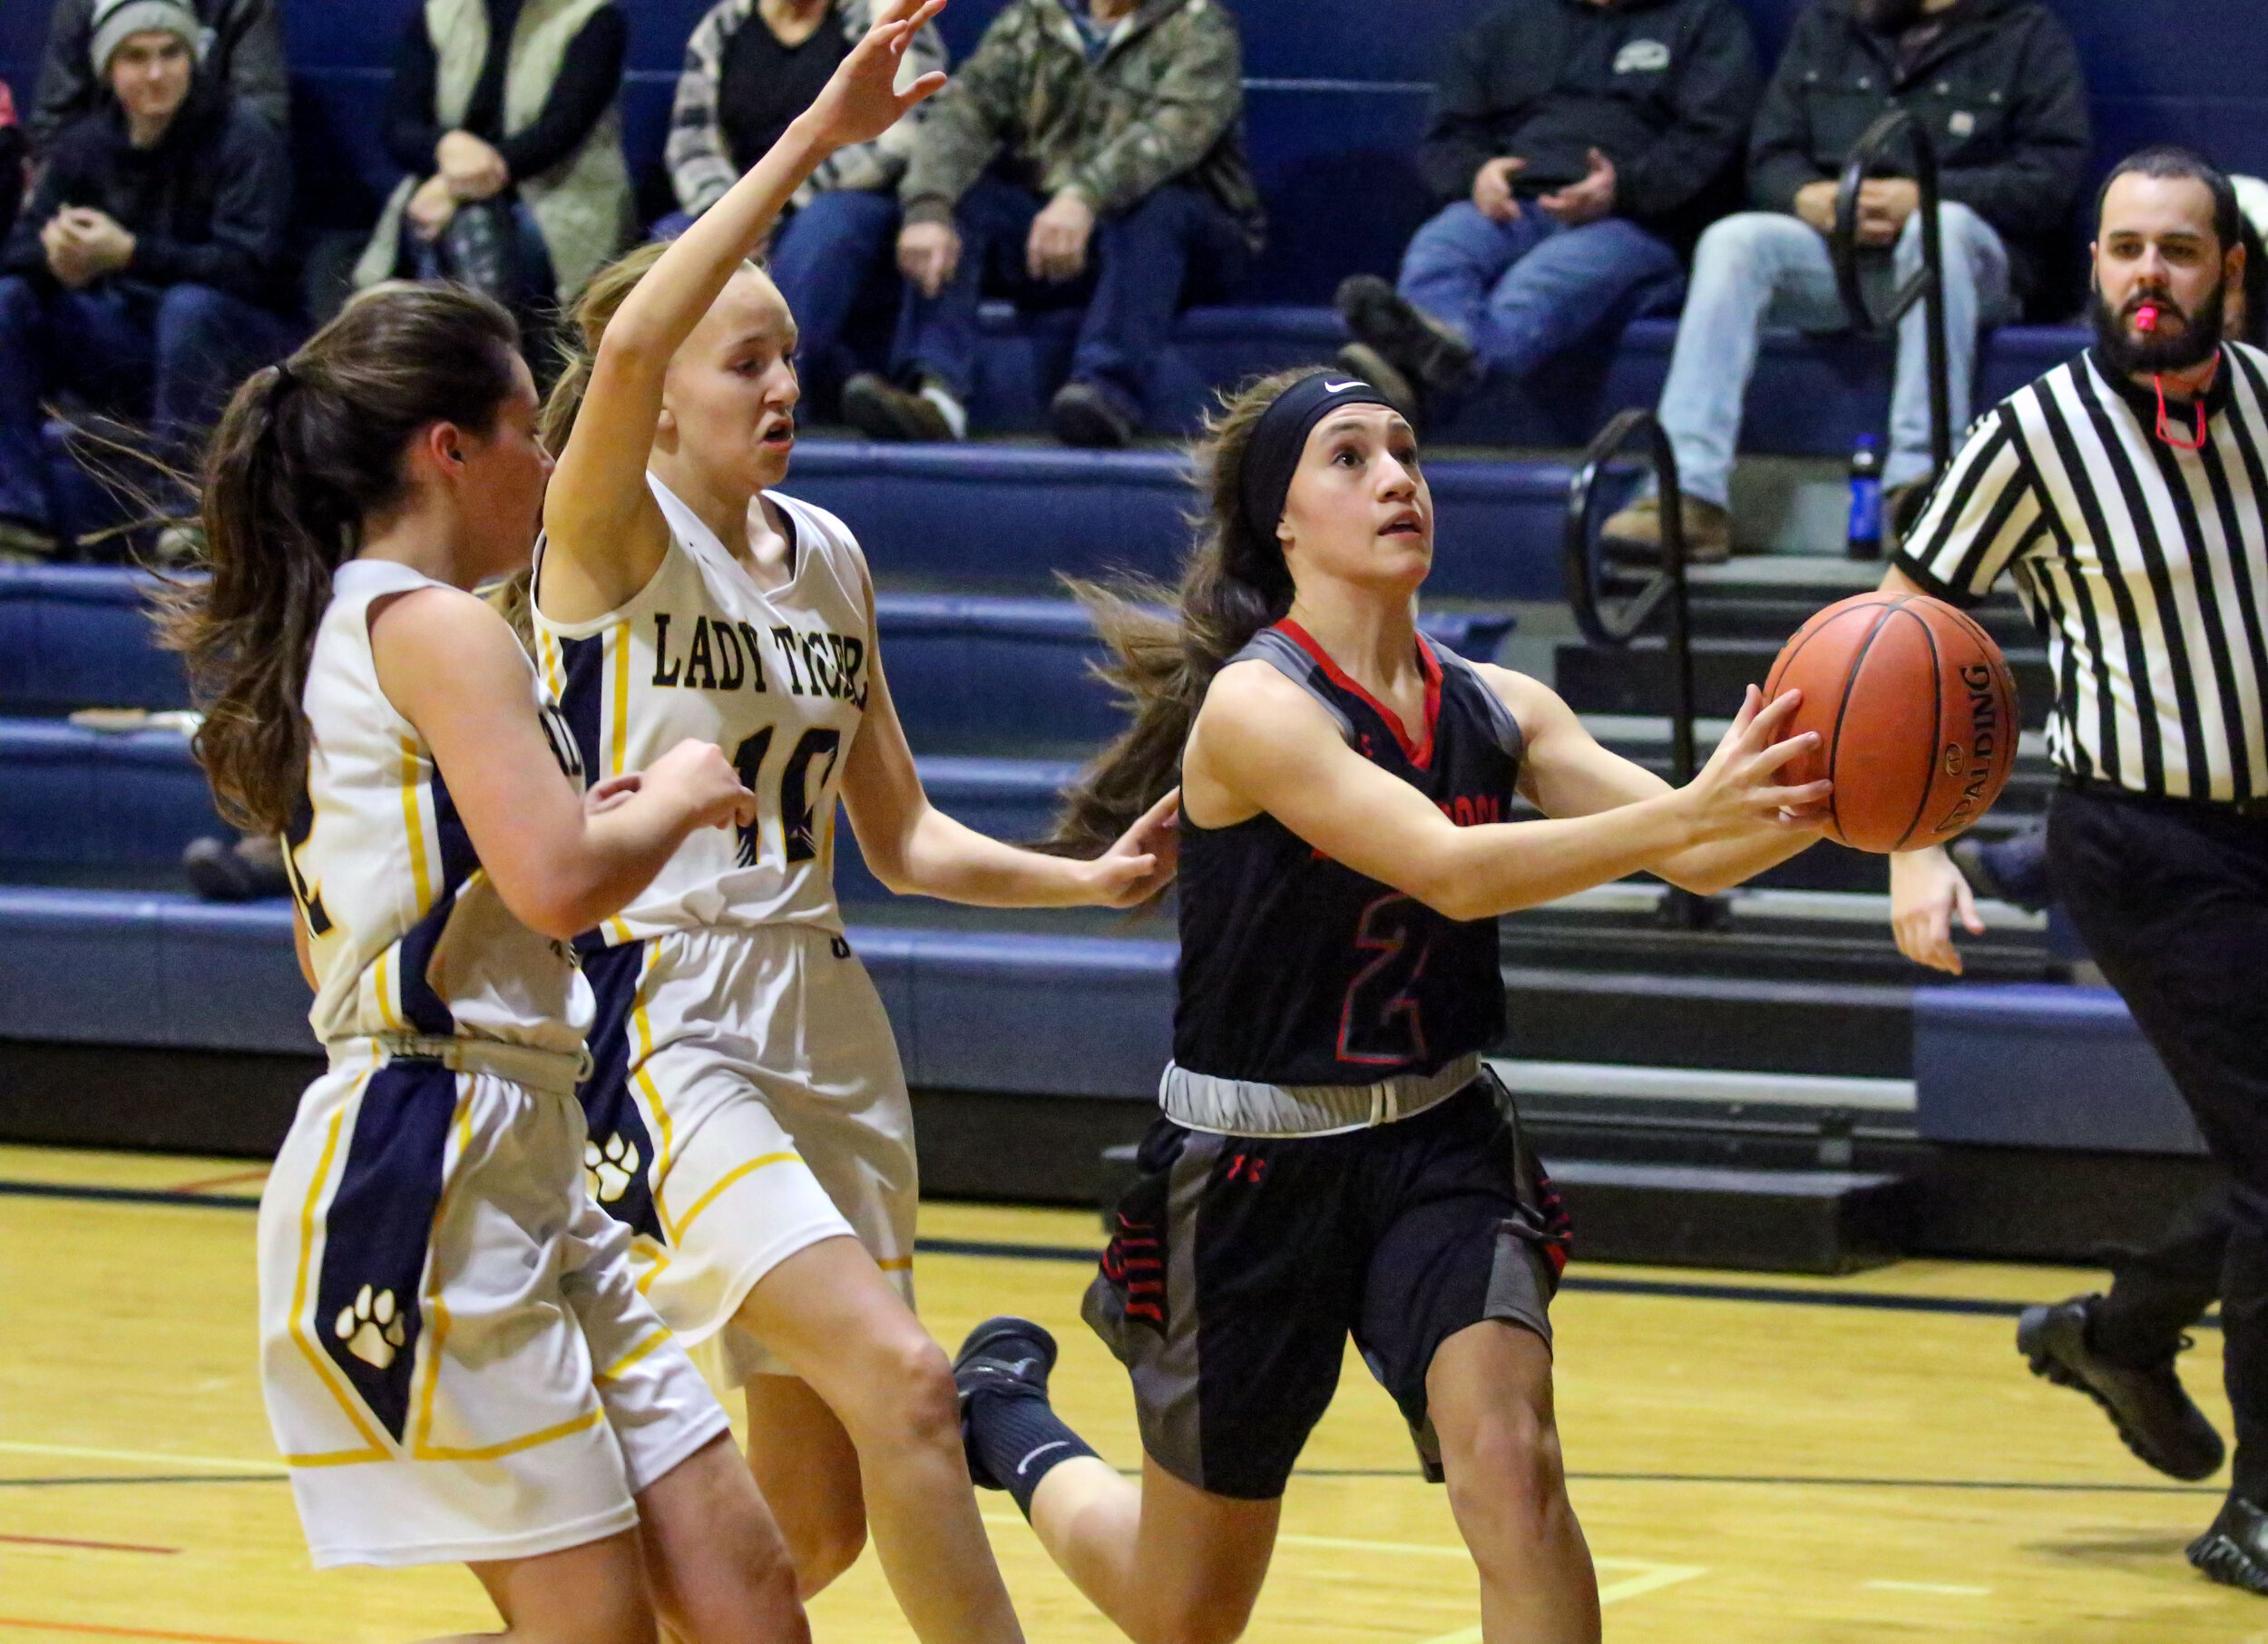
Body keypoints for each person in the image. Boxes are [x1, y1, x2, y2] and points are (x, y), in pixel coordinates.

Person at [945, 367, 1831, 1644]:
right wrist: (1689, 810)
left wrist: (1858, 801)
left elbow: (1699, 855)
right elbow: (1453, 871)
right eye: (1349, 457)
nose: (1397, 477)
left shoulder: (1500, 703)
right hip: (1251, 1168)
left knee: (1513, 1474)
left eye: (1406, 451)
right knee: (1180, 1611)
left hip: (1438, 1143)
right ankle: (1007, 1422)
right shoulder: (1258, 708)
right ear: (1284, 523)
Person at [531, 5, 1178, 1638]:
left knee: (804, 1540)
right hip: (672, 1021)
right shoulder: (604, 541)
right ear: (660, 396)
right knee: (908, 1382)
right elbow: (615, 348)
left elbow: (903, 836)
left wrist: (1087, 882)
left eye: (790, 354)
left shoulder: (826, 550)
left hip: (830, 1017)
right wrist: (815, 140)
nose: (784, 378)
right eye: (743, 356)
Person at [164, 282, 812, 1640]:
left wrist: (594, 817)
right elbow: (560, 881)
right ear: (443, 451)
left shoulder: (362, 628)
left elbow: (397, 921)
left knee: (750, 1600)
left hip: (514, 1148)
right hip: (426, 1165)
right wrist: (680, 795)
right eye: (527, 429)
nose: (553, 460)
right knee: (592, 1631)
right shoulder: (436, 625)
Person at [1883, 146, 2268, 1592]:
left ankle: (2115, 1333)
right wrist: (1917, 843)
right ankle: (2259, 1511)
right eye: (2125, 249)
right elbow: (1900, 636)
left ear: (2230, 268)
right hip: (2146, 842)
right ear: (2093, 268)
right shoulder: (2032, 436)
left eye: (2181, 248)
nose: (2150, 274)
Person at [1601, 0, 2089, 563]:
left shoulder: (2027, 35)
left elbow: (2049, 181)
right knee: (1733, 240)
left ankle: (1922, 486)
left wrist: (1926, 196)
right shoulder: (1829, 25)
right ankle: (1687, 495)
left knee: (1941, 229)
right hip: (1841, 254)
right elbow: (1769, 157)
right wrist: (1804, 195)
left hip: (1973, 267)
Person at [840, 0, 1265, 450]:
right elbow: (964, 111)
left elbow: (1176, 134)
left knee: (1158, 209)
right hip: (1058, 232)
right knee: (966, 203)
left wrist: (1085, 196)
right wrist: (929, 204)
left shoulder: (1199, 26)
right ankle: (936, 396)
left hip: (1184, 240)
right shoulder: (1033, 20)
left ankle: (1105, 394)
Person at [1334, 0, 1762, 426]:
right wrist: (1475, 174)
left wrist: (1623, 190)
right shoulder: (1512, 22)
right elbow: (1449, 131)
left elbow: (1713, 139)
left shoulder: (1704, 20)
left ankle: (1417, 379)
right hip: (1510, 205)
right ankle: (1435, 365)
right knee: (1442, 245)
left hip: (1636, 222)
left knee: (1537, 284)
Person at [0, 0, 296, 563]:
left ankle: (182, 515)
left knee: (189, 309)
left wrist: (131, 254)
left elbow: (255, 269)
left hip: (239, 340)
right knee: (9, 300)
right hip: (131, 338)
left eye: (171, 54)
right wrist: (55, 260)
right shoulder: (84, 142)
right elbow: (17, 249)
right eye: (136, 57)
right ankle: (15, 514)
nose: (156, 73)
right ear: (109, 69)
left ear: (193, 60)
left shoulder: (243, 136)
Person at [662, 0, 947, 406]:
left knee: (824, 229)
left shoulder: (882, 14)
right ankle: (674, 404)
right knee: (671, 238)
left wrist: (770, 202)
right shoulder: (724, 24)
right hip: (742, 197)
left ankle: (778, 401)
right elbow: (690, 141)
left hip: (850, 192)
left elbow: (901, 139)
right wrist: (727, 211)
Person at [354, 0, 631, 332]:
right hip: (446, 190)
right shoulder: (439, 13)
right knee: (452, 224)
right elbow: (400, 127)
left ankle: (461, 349)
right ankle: (491, 350)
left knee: (457, 227)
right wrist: (446, 146)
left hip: (555, 200)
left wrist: (455, 186)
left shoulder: (593, 17)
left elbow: (557, 134)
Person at [27, 0, 286, 152]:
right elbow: (54, 119)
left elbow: (263, 118)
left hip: (207, 177)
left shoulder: (241, 4)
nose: (155, 73)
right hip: (110, 176)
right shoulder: (81, 5)